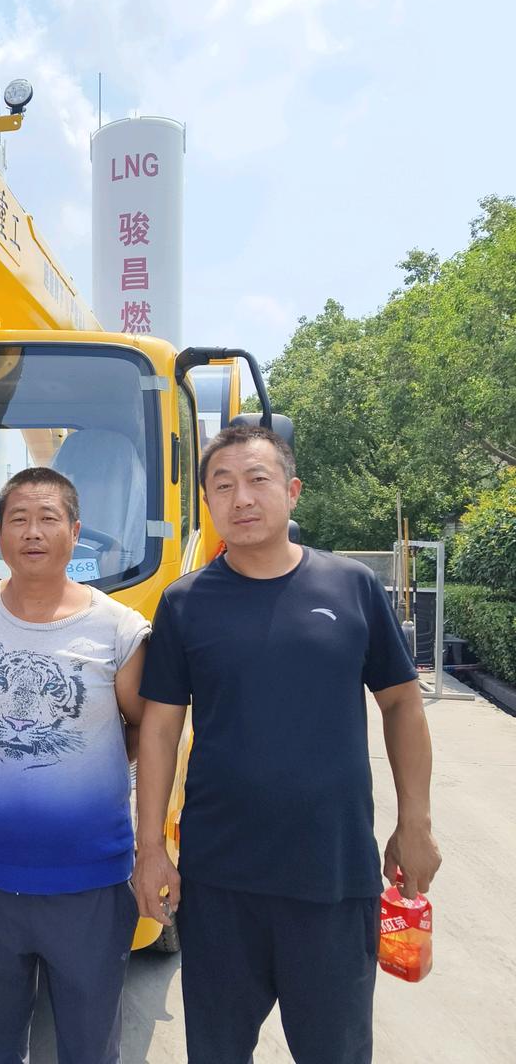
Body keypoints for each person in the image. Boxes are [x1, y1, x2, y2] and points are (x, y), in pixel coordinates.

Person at [133, 425, 442, 1064]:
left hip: (332, 877)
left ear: (292, 491)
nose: (241, 497)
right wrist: (150, 851)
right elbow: (160, 728)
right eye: (222, 486)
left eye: (257, 480)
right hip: (220, 882)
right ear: (208, 504)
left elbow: (402, 703)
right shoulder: (185, 604)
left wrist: (416, 823)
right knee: (216, 1051)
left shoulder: (350, 587)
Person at [0, 466, 149, 1064]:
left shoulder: (120, 630)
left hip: (89, 880)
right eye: (19, 519)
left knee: (89, 1047)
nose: (33, 532)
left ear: (75, 532)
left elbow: (140, 731)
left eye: (48, 518)